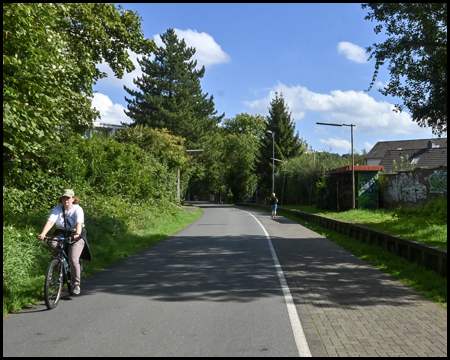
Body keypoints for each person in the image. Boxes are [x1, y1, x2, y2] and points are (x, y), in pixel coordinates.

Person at [38, 189, 91, 295]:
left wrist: (77, 234)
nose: (66, 200)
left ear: (73, 199)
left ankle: (76, 284)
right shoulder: (57, 209)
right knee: (53, 243)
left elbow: (79, 223)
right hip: (62, 233)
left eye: (68, 198)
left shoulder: (78, 209)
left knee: (73, 259)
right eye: (64, 198)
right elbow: (50, 222)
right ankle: (58, 262)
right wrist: (43, 234)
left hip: (76, 233)